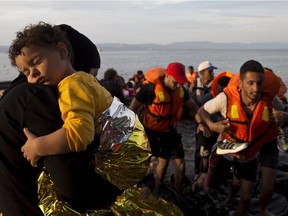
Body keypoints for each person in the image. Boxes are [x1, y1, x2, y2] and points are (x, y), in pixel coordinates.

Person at [8, 22, 153, 213]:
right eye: (25, 72)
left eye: (36, 62)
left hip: (119, 164)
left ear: (62, 51)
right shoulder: (84, 80)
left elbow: (78, 135)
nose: (32, 75)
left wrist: (38, 146)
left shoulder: (72, 85)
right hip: (133, 155)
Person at [0, 74, 121, 215]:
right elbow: (71, 182)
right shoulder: (39, 97)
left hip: (14, 205)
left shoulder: (14, 93)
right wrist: (117, 194)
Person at [198, 60, 284, 216]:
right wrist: (212, 125)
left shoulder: (271, 100)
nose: (255, 89)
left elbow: (282, 115)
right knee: (210, 189)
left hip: (249, 155)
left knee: (245, 198)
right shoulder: (226, 98)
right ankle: (200, 181)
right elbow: (202, 110)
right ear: (240, 82)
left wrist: (284, 118)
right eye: (250, 83)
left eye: (259, 83)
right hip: (225, 150)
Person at [129, 62, 209, 192]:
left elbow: (194, 108)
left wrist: (200, 123)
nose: (178, 84)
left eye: (180, 82)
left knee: (179, 162)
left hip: (169, 130)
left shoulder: (181, 90)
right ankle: (154, 188)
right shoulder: (150, 88)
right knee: (154, 162)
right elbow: (132, 108)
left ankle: (177, 191)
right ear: (167, 75)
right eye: (176, 81)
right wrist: (132, 129)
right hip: (150, 131)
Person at [190, 71, 233, 194]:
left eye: (224, 91)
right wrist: (203, 125)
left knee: (216, 157)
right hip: (205, 130)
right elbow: (198, 112)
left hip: (220, 133)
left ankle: (212, 178)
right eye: (219, 91)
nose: (221, 94)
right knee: (203, 154)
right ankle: (198, 176)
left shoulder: (231, 99)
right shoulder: (208, 98)